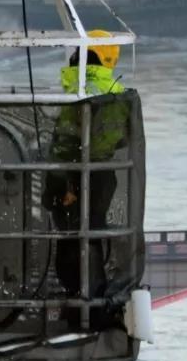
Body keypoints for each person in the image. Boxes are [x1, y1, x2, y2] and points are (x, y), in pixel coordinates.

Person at [43, 30, 128, 329]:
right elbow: (122, 139)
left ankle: (83, 306)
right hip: (102, 177)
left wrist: (63, 182)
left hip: (73, 177)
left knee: (71, 240)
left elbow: (65, 139)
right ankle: (94, 304)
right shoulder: (116, 90)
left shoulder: (77, 87)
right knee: (91, 235)